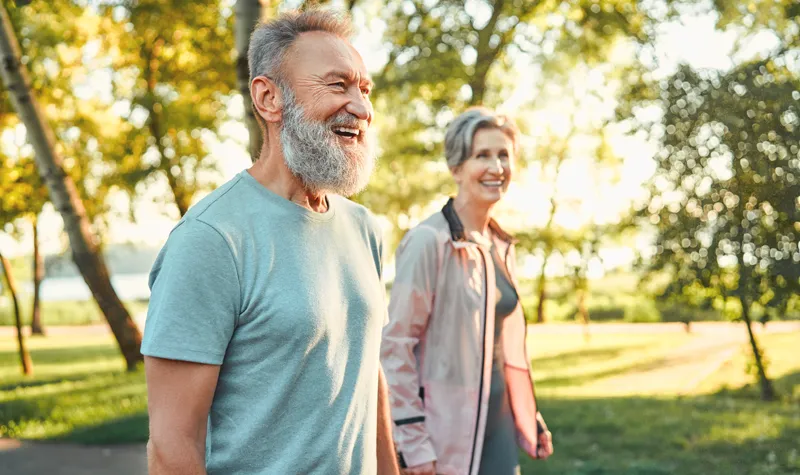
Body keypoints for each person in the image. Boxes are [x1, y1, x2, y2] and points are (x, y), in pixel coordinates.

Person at [142, 10, 399, 475]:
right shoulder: (210, 240)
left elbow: (367, 376)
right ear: (268, 97)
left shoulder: (364, 228)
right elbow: (171, 444)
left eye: (364, 89)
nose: (362, 108)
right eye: (338, 85)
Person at [381, 107, 554, 475]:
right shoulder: (429, 242)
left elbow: (500, 347)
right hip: (446, 438)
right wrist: (412, 442)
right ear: (456, 168)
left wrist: (527, 413)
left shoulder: (501, 244)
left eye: (503, 155)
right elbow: (395, 347)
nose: (497, 167)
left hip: (499, 429)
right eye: (482, 155)